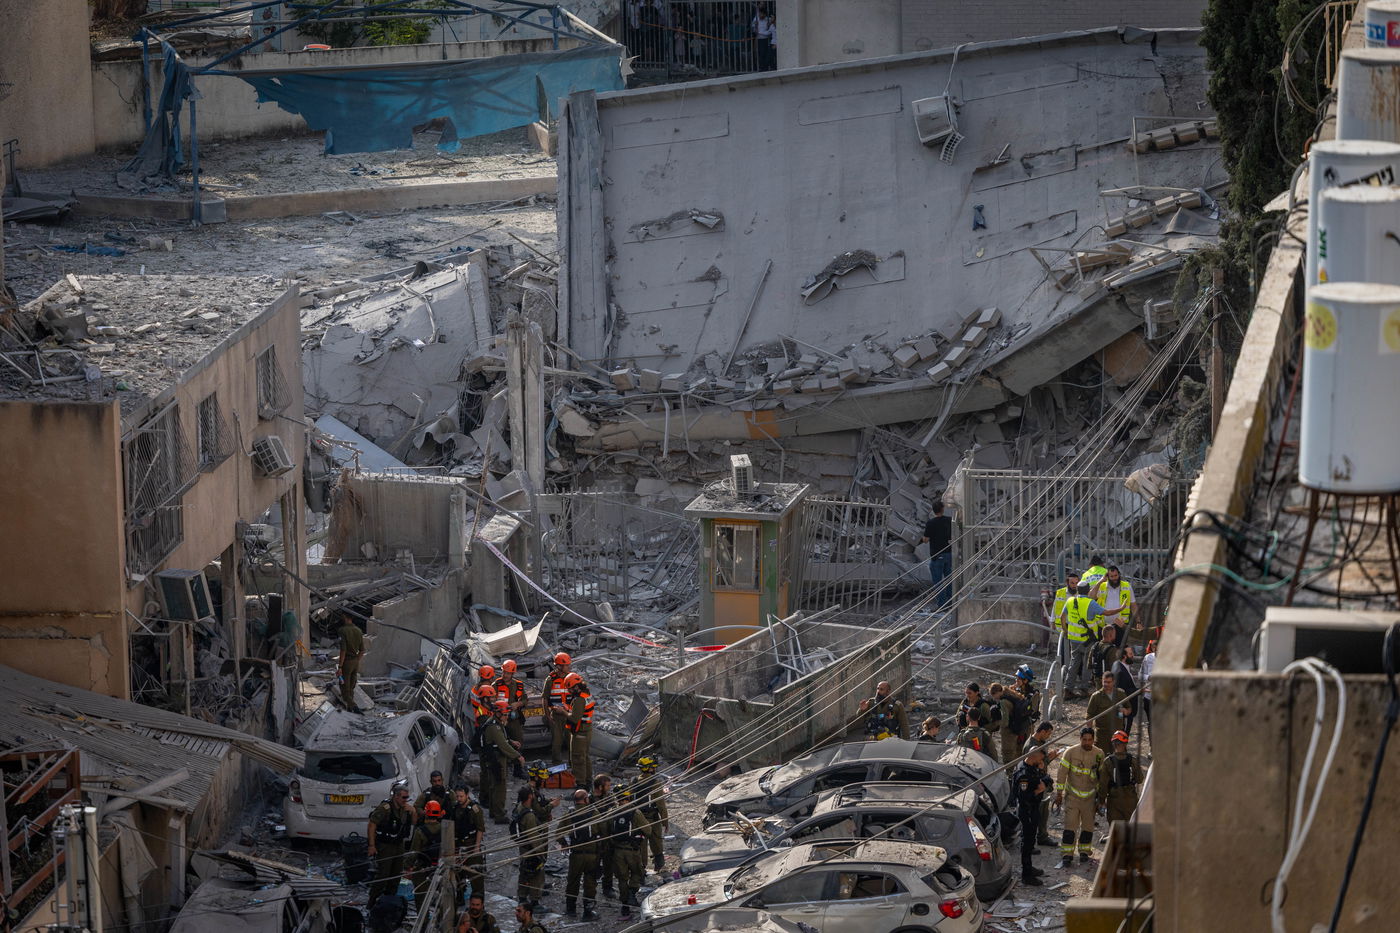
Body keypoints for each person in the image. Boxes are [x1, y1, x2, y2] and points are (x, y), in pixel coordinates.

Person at [1060, 582, 1123, 697]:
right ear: (1088, 590)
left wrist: (1065, 631)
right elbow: (1107, 612)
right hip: (1087, 640)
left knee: (1074, 663)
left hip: (1073, 639)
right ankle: (1084, 689)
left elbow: (1062, 617)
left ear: (1078, 590)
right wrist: (1121, 608)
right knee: (1087, 664)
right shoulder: (1091, 603)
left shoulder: (1070, 601)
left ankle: (1068, 689)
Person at [1055, 726, 1103, 867]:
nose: (1087, 743)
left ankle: (1084, 852)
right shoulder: (1070, 753)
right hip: (1073, 798)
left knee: (1088, 827)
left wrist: (1101, 799)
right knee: (1070, 826)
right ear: (1080, 739)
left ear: (1093, 740)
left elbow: (1102, 777)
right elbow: (1062, 774)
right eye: (1084, 740)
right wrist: (1059, 793)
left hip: (1090, 798)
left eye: (1090, 740)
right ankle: (1067, 855)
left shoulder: (1099, 754)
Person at [367, 781, 417, 903]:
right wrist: (372, 845)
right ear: (396, 796)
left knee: (396, 875)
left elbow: (414, 823)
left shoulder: (405, 809)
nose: (406, 800)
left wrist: (413, 811)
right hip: (385, 845)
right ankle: (372, 901)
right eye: (404, 797)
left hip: (399, 844)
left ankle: (389, 900)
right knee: (383, 875)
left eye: (407, 797)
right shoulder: (385, 808)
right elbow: (372, 825)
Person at [607, 783, 647, 919]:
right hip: (632, 850)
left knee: (622, 879)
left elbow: (605, 830)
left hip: (617, 851)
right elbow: (648, 830)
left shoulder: (611, 812)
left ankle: (625, 907)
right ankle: (632, 892)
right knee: (638, 872)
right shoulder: (635, 812)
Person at [481, 700, 525, 823]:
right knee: (499, 787)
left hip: (494, 759)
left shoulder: (496, 724)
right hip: (496, 760)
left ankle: (493, 811)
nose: (507, 717)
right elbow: (502, 745)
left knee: (494, 786)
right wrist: (518, 756)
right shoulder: (494, 726)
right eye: (505, 714)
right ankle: (499, 815)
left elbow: (502, 739)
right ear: (498, 714)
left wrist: (511, 741)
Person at [560, 787, 601, 919]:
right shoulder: (594, 812)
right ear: (585, 799)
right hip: (591, 855)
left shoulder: (570, 814)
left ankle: (570, 909)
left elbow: (558, 833)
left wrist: (564, 844)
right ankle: (587, 912)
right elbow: (603, 830)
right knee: (590, 882)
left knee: (573, 881)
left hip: (576, 854)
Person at [1012, 747, 1050, 885]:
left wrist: (1042, 772)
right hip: (1027, 810)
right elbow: (1023, 797)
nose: (1042, 761)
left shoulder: (1029, 766)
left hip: (1032, 809)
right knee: (1027, 842)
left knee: (1030, 840)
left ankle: (1029, 868)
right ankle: (1026, 875)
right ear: (1034, 756)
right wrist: (1038, 790)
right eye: (1041, 758)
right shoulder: (1024, 774)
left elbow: (1042, 779)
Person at [1023, 721, 1062, 846]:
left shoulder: (1041, 743)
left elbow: (1042, 762)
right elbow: (1031, 764)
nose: (1049, 736)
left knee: (1043, 812)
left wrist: (1051, 757)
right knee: (1034, 813)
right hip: (1034, 782)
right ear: (1042, 731)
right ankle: (1031, 841)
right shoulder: (1031, 746)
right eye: (1048, 733)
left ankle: (1042, 836)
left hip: (1041, 780)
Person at [1098, 731, 1145, 823]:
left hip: (1114, 800)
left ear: (1113, 744)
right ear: (1125, 744)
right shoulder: (1133, 760)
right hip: (1130, 800)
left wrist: (1101, 801)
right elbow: (1140, 779)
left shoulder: (1108, 762)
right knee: (1130, 830)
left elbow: (1103, 784)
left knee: (1116, 830)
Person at [450, 785, 485, 901]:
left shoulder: (474, 809)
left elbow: (480, 829)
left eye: (461, 796)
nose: (459, 799)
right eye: (457, 796)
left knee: (476, 875)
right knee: (459, 874)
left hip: (471, 844)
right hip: (459, 845)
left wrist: (476, 847)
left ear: (467, 795)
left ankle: (478, 900)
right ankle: (460, 897)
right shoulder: (455, 808)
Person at [513, 786, 547, 907]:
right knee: (536, 873)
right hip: (531, 848)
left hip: (523, 847)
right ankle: (535, 901)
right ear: (529, 797)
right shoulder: (529, 816)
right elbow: (534, 837)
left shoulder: (519, 808)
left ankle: (522, 896)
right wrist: (540, 853)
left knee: (524, 871)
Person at [495, 659, 529, 778]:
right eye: (504, 672)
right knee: (501, 742)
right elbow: (491, 702)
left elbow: (525, 700)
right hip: (500, 719)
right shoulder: (496, 685)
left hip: (514, 720)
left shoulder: (518, 685)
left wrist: (517, 704)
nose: (505, 675)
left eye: (508, 673)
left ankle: (518, 770)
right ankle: (501, 769)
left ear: (513, 673)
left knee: (517, 742)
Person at [408, 800, 445, 906]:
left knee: (421, 898)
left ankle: (424, 922)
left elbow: (414, 851)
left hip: (423, 868)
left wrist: (407, 867)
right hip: (441, 867)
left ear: (426, 813)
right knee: (442, 899)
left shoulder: (420, 831)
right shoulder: (445, 828)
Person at [635, 756, 669, 872]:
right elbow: (661, 805)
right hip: (652, 818)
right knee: (656, 843)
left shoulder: (633, 782)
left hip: (638, 820)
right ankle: (659, 866)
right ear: (650, 769)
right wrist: (665, 821)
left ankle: (641, 870)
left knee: (641, 845)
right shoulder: (655, 783)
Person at [563, 672, 595, 790]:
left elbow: (575, 718)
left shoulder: (579, 699)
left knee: (577, 759)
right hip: (586, 731)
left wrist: (563, 712)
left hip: (580, 732)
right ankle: (588, 782)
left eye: (570, 689)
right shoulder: (586, 694)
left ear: (576, 686)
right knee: (585, 757)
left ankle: (581, 786)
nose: (569, 691)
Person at [1086, 672, 1131, 755]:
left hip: (1118, 734)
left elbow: (1129, 709)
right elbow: (1089, 715)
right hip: (1102, 734)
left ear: (1113, 682)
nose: (1106, 684)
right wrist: (1089, 733)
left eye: (1108, 682)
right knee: (1101, 757)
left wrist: (1125, 711)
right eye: (1104, 682)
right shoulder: (1096, 696)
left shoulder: (1120, 694)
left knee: (1119, 757)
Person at [921, 500, 954, 610]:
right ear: (943, 509)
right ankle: (950, 602)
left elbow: (925, 540)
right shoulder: (949, 521)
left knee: (938, 582)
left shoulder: (931, 523)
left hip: (936, 556)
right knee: (949, 579)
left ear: (933, 511)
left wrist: (923, 537)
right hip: (948, 553)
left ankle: (942, 605)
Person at [592, 774, 618, 901]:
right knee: (593, 865)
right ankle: (590, 890)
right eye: (607, 785)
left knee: (609, 864)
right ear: (600, 787)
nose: (609, 788)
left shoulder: (610, 797)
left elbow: (615, 809)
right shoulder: (589, 799)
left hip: (608, 836)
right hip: (595, 839)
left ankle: (607, 887)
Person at [1049, 571, 1080, 675]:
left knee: (1075, 651)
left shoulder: (1080, 593)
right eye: (1072, 583)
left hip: (1075, 625)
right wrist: (1052, 622)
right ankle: (1063, 672)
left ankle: (1074, 672)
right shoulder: (1060, 592)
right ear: (1067, 583)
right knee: (1062, 650)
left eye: (1076, 583)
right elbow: (1055, 607)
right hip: (1063, 626)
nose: (1075, 585)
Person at [1092, 566, 1135, 638]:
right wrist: (1101, 580)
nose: (1114, 578)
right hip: (1104, 625)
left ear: (1119, 574)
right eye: (1111, 576)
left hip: (1120, 624)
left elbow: (1133, 605)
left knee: (1120, 648)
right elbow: (1091, 596)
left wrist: (1138, 621)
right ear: (1107, 576)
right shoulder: (1102, 586)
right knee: (1105, 648)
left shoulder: (1127, 586)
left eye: (1116, 575)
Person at [545, 654, 572, 764]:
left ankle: (572, 763)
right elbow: (545, 698)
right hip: (556, 716)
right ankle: (556, 764)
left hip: (569, 715)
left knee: (571, 740)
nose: (569, 667)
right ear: (559, 666)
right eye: (566, 665)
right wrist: (547, 716)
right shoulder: (550, 679)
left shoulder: (571, 678)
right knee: (557, 741)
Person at [337, 613, 365, 711]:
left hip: (347, 663)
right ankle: (350, 708)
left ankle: (354, 706)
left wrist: (340, 666)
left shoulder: (342, 631)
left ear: (345, 617)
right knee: (352, 686)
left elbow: (343, 650)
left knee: (345, 689)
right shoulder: (358, 630)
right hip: (355, 662)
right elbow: (362, 650)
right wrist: (356, 660)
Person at [1112, 648, 1140, 734]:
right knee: (1122, 731)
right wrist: (1139, 690)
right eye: (1130, 654)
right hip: (1124, 709)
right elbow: (1124, 692)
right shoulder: (1120, 671)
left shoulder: (1119, 664)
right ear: (1124, 656)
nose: (1133, 656)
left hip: (1124, 708)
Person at [1139, 641, 1156, 743]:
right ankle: (1152, 746)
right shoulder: (1148, 658)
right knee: (1151, 723)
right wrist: (1148, 677)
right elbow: (1140, 675)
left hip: (1163, 697)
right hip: (1149, 697)